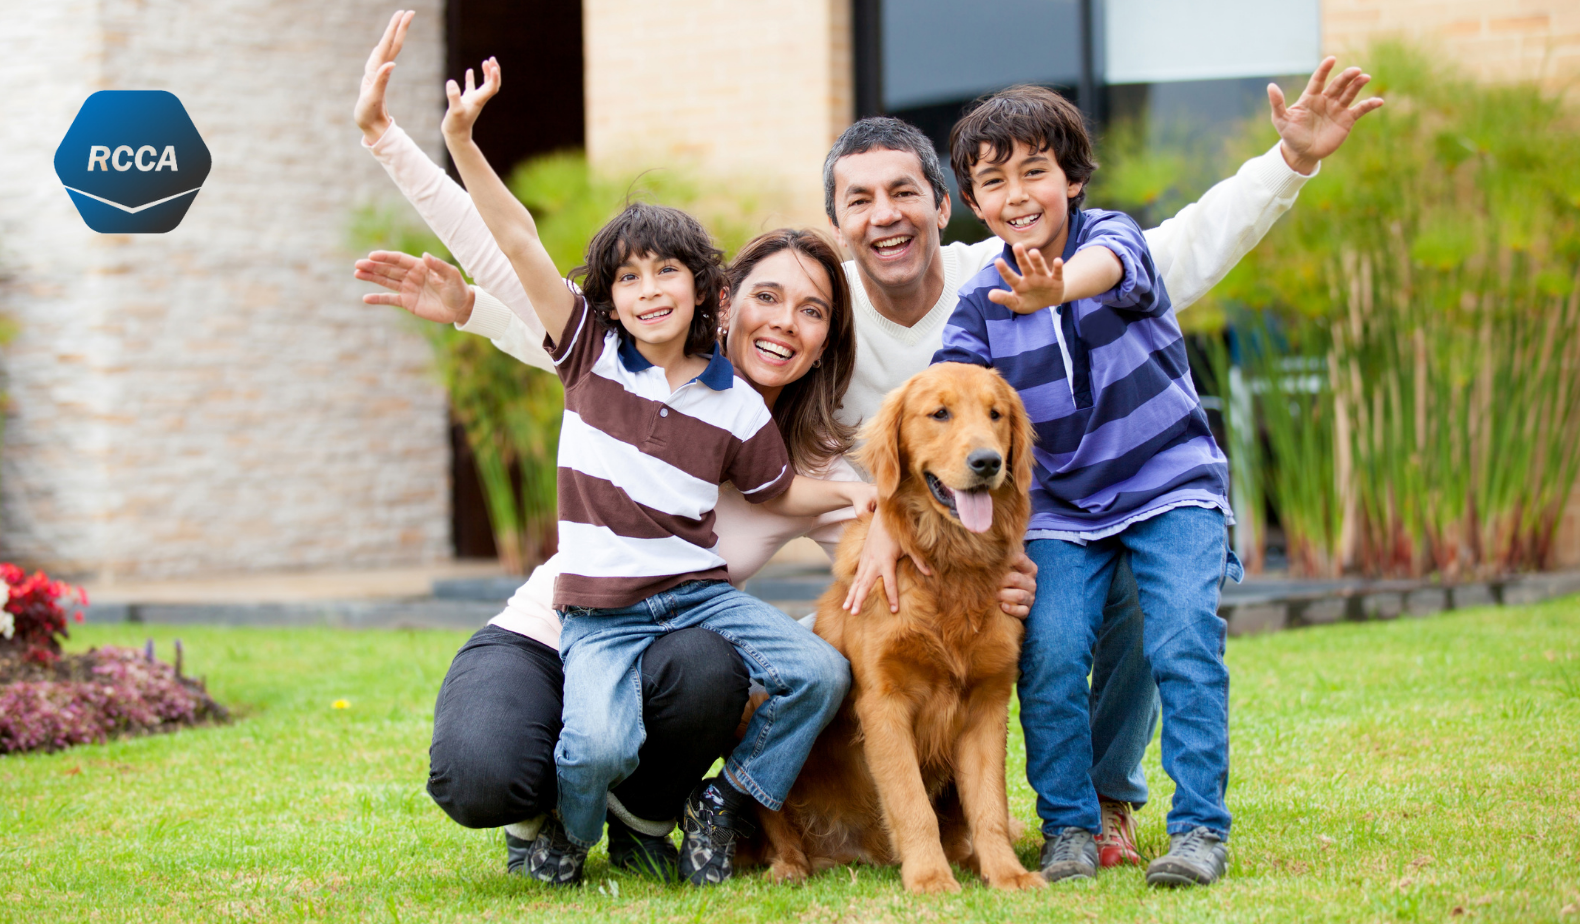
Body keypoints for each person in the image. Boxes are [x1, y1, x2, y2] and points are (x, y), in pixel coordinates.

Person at [353, 6, 1378, 884]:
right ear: (746, 288)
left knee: (1068, 585)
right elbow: (533, 287)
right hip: (565, 619)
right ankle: (566, 813)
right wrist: (409, 170)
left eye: (806, 313)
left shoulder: (963, 308)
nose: (784, 325)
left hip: (685, 632)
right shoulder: (677, 365)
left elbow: (1167, 254)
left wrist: (1288, 161)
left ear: (943, 207)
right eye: (768, 299)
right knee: (491, 770)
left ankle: (1093, 805)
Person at [434, 55, 883, 888]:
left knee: (820, 672)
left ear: (704, 288)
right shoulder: (588, 357)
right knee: (595, 743)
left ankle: (730, 799)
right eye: (628, 278)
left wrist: (862, 494)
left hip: (696, 598)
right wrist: (461, 142)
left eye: (666, 272)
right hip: (599, 610)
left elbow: (778, 492)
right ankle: (565, 835)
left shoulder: (737, 405)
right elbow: (519, 244)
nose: (648, 290)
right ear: (607, 298)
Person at [932, 80, 1378, 888]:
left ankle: (1201, 827)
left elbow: (1106, 268)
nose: (1016, 194)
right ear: (972, 201)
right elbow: (944, 396)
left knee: (1181, 639)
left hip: (1169, 482)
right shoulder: (977, 302)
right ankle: (1068, 826)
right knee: (1054, 653)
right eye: (992, 182)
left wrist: (1055, 287)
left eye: (1034, 171)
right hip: (1064, 507)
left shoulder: (1113, 238)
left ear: (1071, 178)